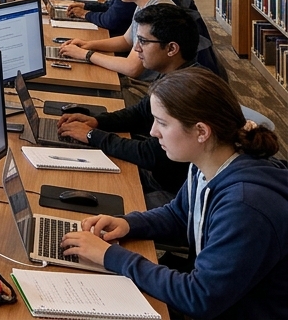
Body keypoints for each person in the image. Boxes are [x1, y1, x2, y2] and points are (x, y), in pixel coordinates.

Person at [60, 68, 288, 319]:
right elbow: (180, 214)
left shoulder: (245, 206)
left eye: (163, 123)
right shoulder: (208, 161)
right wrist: (128, 223)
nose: (153, 132)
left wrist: (109, 255)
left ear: (202, 131)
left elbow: (199, 297)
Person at [56, 4, 219, 205]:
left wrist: (92, 136)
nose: (136, 48)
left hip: (173, 192)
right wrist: (97, 122)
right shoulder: (174, 75)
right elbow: (140, 113)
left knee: (89, 186)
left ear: (171, 49)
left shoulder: (186, 92)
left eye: (143, 41)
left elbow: (151, 154)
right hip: (161, 174)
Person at [58, 0, 174, 78]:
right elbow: (126, 40)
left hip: (148, 86)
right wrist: (88, 44)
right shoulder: (145, 3)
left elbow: (131, 68)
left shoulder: (157, 13)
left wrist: (86, 55)